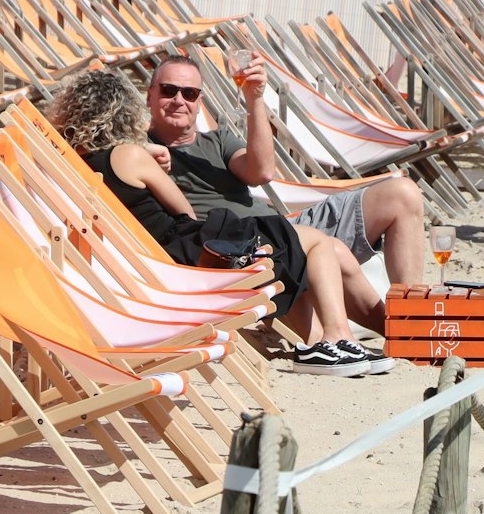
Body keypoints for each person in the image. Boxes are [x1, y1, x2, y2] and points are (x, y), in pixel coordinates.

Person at [48, 68, 394, 377]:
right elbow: (183, 210)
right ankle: (336, 338)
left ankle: (324, 341)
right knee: (315, 240)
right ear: (126, 110)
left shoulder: (78, 165)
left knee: (303, 243)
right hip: (191, 257)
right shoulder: (132, 155)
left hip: (156, 264)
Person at [144, 51, 438, 327]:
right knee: (330, 250)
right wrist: (144, 152)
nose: (179, 100)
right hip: (249, 248)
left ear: (199, 101)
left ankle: (408, 315)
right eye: (169, 90)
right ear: (149, 95)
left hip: (285, 226)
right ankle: (404, 334)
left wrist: (255, 99)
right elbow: (108, 156)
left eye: (190, 93)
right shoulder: (138, 156)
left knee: (403, 193)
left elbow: (261, 172)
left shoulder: (217, 141)